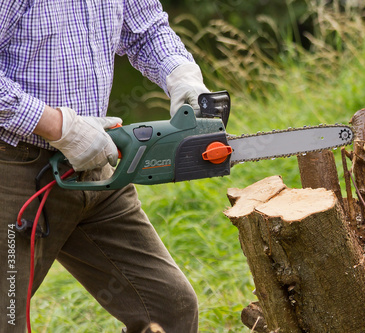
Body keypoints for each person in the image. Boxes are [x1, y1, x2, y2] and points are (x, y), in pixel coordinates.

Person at [0, 1, 210, 332]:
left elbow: (145, 29)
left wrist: (180, 72)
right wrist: (57, 126)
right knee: (6, 319)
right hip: (13, 166)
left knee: (168, 309)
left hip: (95, 165)